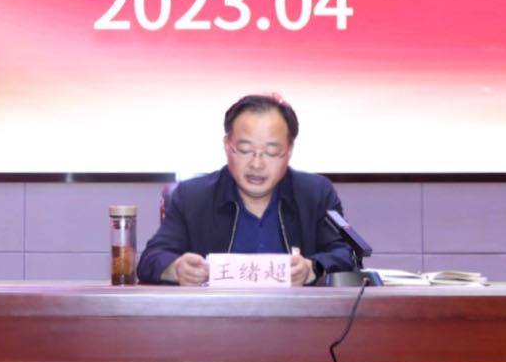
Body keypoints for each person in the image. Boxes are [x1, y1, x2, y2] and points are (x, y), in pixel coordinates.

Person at [137, 92, 357, 286]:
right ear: (227, 145)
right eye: (244, 150)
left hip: (298, 318)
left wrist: (312, 268)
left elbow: (346, 254)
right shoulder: (192, 197)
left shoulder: (315, 194)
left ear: (289, 151)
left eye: (271, 152)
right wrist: (176, 269)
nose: (256, 164)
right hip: (216, 317)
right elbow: (151, 258)